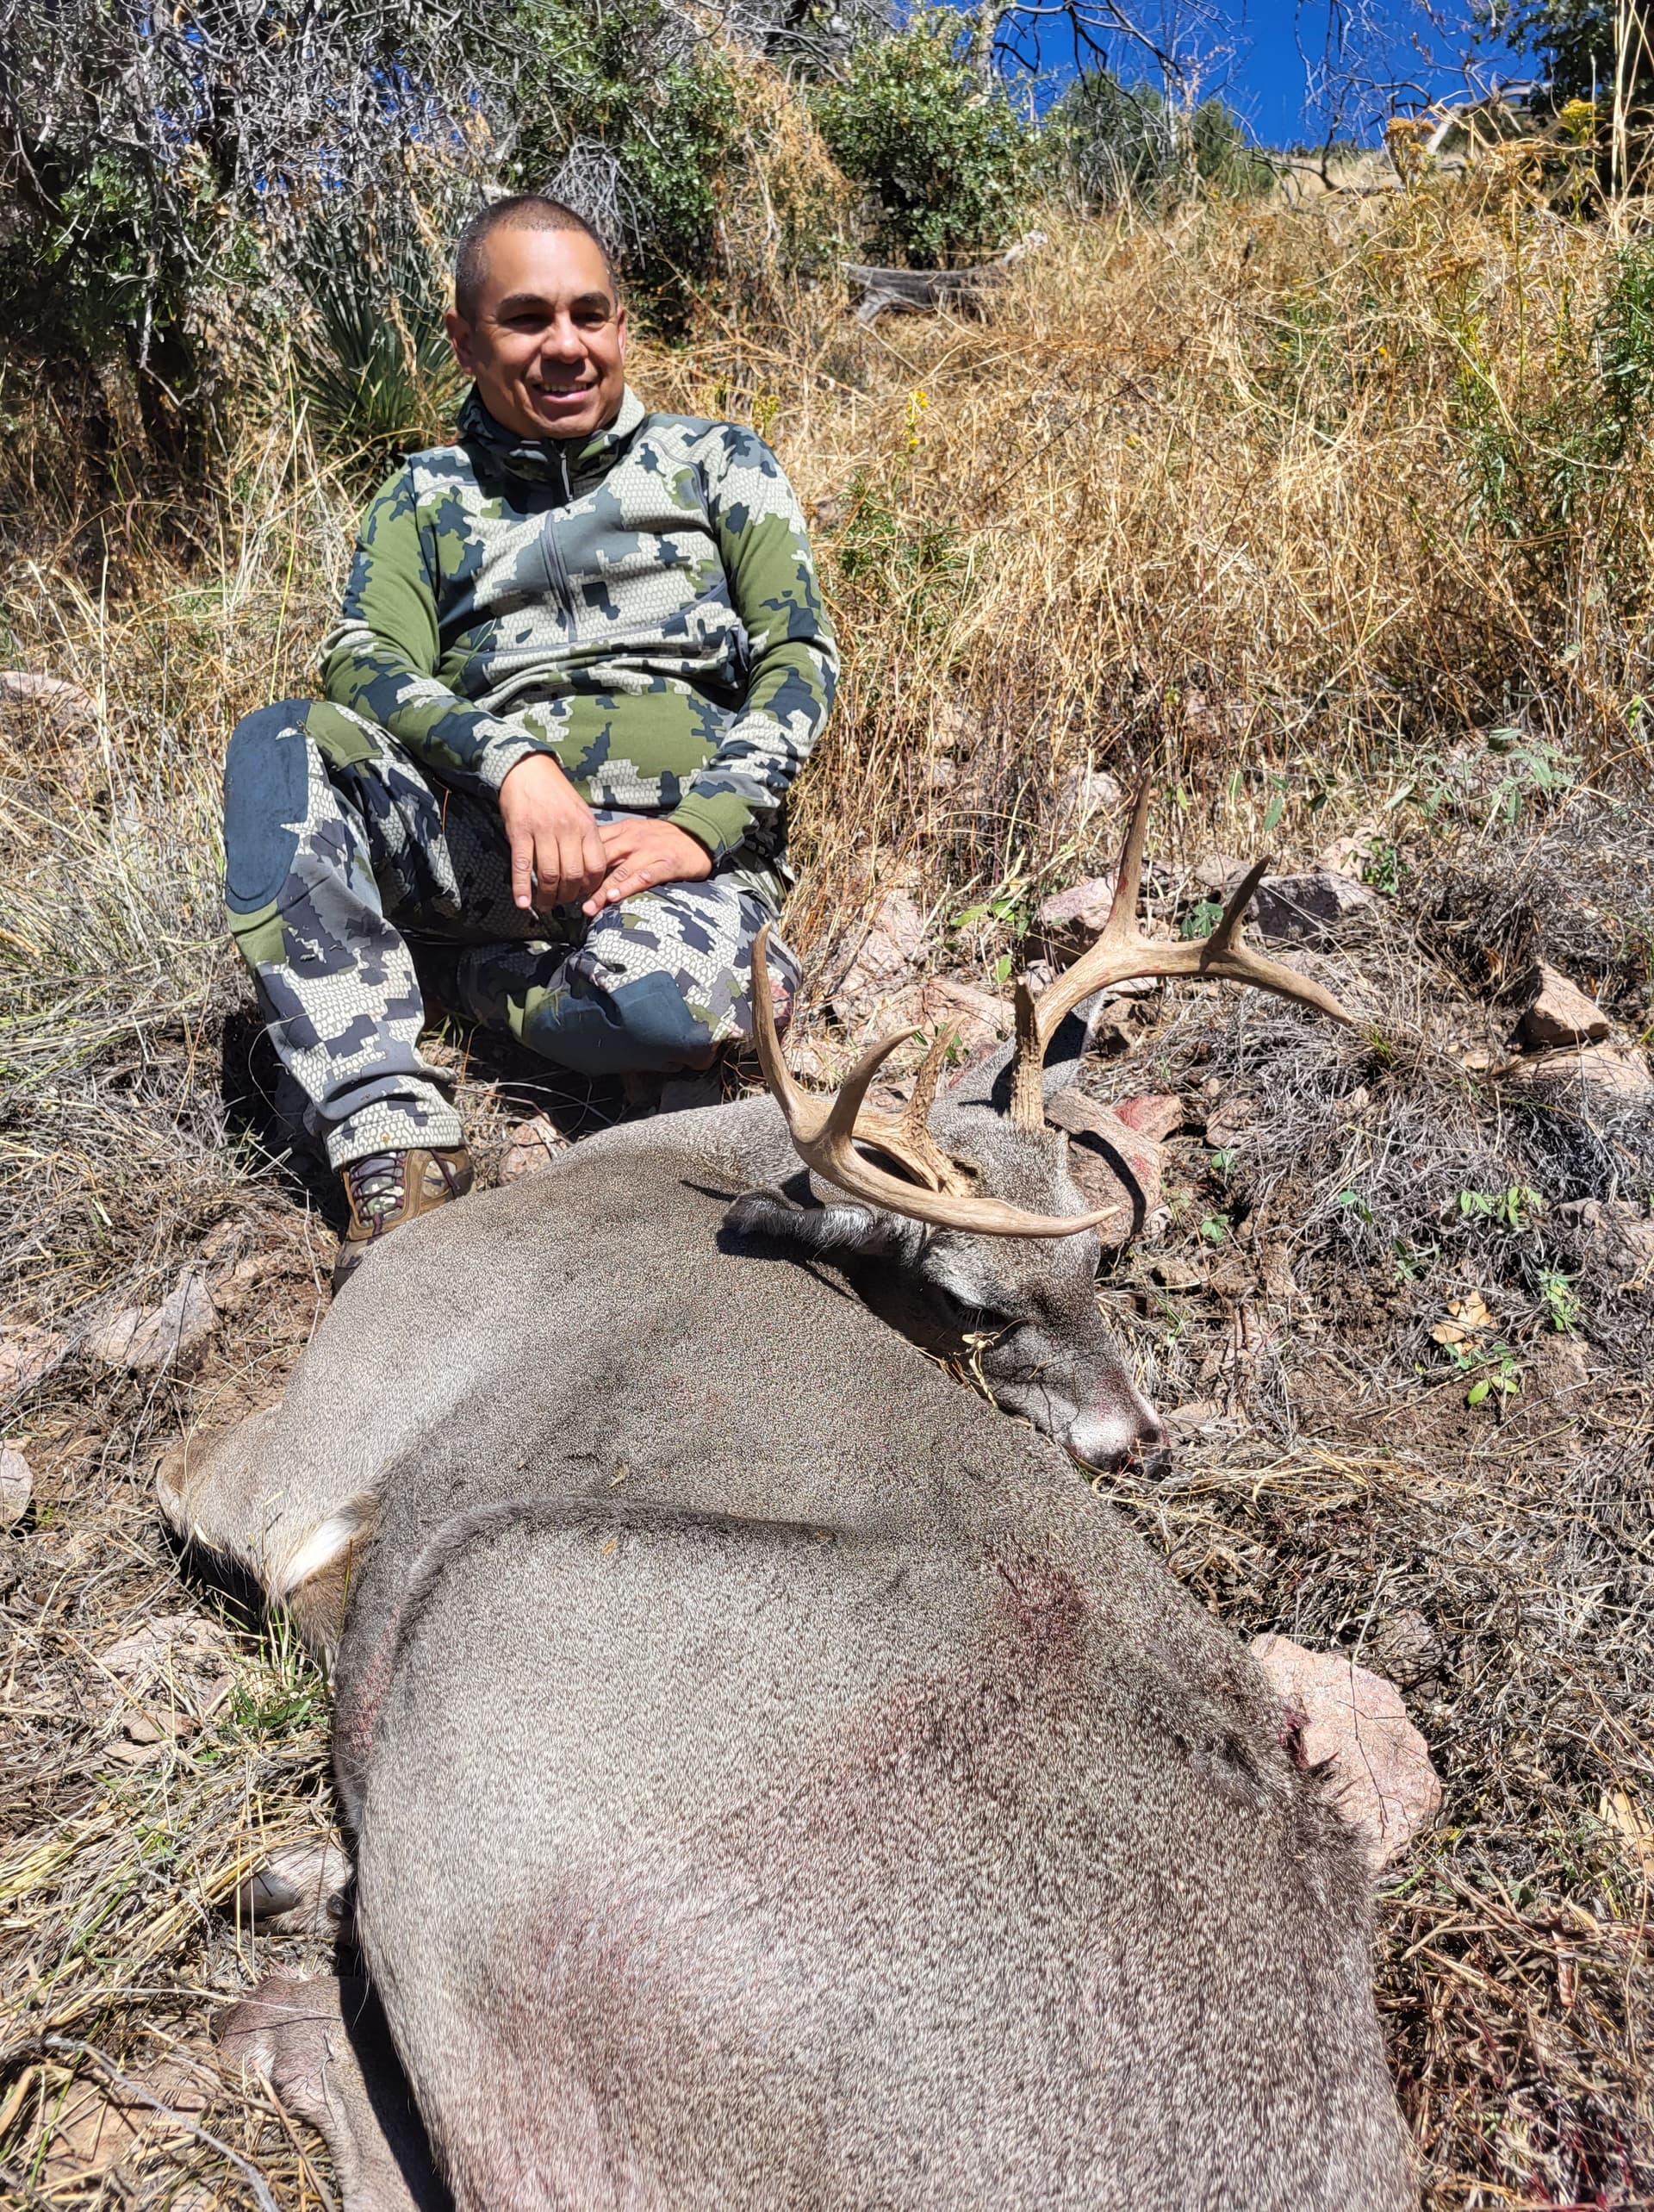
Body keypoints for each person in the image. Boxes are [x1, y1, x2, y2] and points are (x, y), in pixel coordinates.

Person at [222, 196, 837, 1287]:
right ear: (465, 337)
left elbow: (801, 660)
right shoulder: (423, 496)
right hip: (486, 839)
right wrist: (514, 765)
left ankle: (458, 985)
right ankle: (394, 1136)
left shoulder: (718, 463)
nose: (566, 346)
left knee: (679, 1002)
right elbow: (362, 656)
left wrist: (698, 832)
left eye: (588, 313)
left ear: (620, 323)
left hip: (671, 863)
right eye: (525, 318)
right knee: (281, 747)